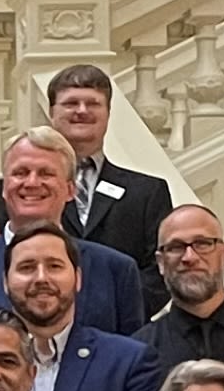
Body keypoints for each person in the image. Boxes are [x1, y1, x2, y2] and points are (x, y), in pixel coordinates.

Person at [0, 128, 143, 341]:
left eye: (45, 173)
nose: (31, 183)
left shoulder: (116, 272)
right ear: (3, 188)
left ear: (70, 190)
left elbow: (132, 365)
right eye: (20, 173)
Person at [0, 219, 156, 391]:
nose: (41, 278)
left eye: (54, 266)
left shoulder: (128, 364)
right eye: (27, 267)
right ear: (5, 282)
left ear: (78, 279)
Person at [45, 60, 171, 286]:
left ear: (108, 112)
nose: (82, 111)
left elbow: (161, 268)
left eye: (92, 103)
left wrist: (119, 307)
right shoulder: (20, 191)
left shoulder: (148, 193)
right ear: (52, 112)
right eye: (71, 103)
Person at [141, 203, 224, 376]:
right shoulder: (139, 352)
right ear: (161, 263)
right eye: (176, 247)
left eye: (202, 243)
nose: (189, 257)